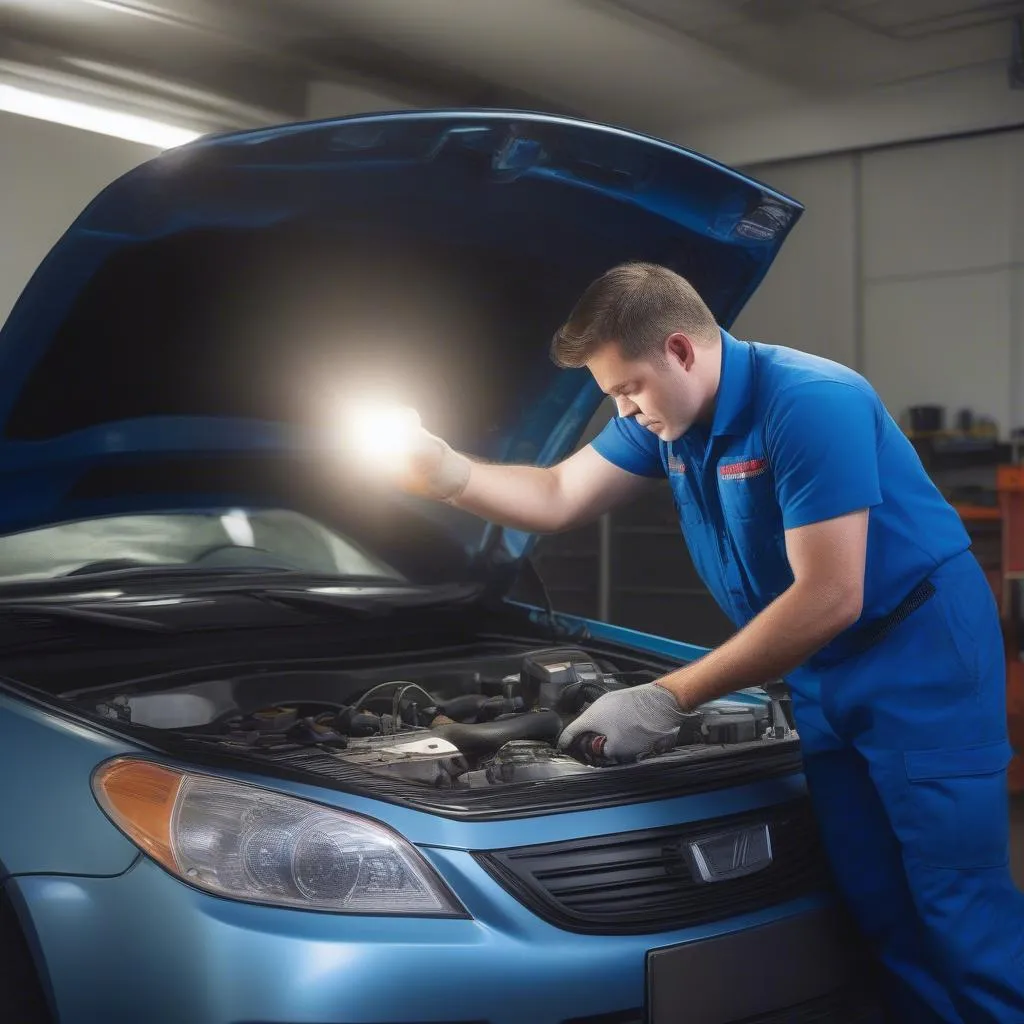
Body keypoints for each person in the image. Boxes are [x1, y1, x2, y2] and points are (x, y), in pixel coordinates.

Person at [393, 262, 1023, 1022]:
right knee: (875, 896)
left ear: (682, 351)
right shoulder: (666, 422)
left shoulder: (811, 403)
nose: (623, 410)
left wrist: (667, 696)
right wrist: (448, 471)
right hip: (824, 665)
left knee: (957, 902)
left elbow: (830, 595)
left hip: (920, 657)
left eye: (628, 388)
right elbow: (558, 495)